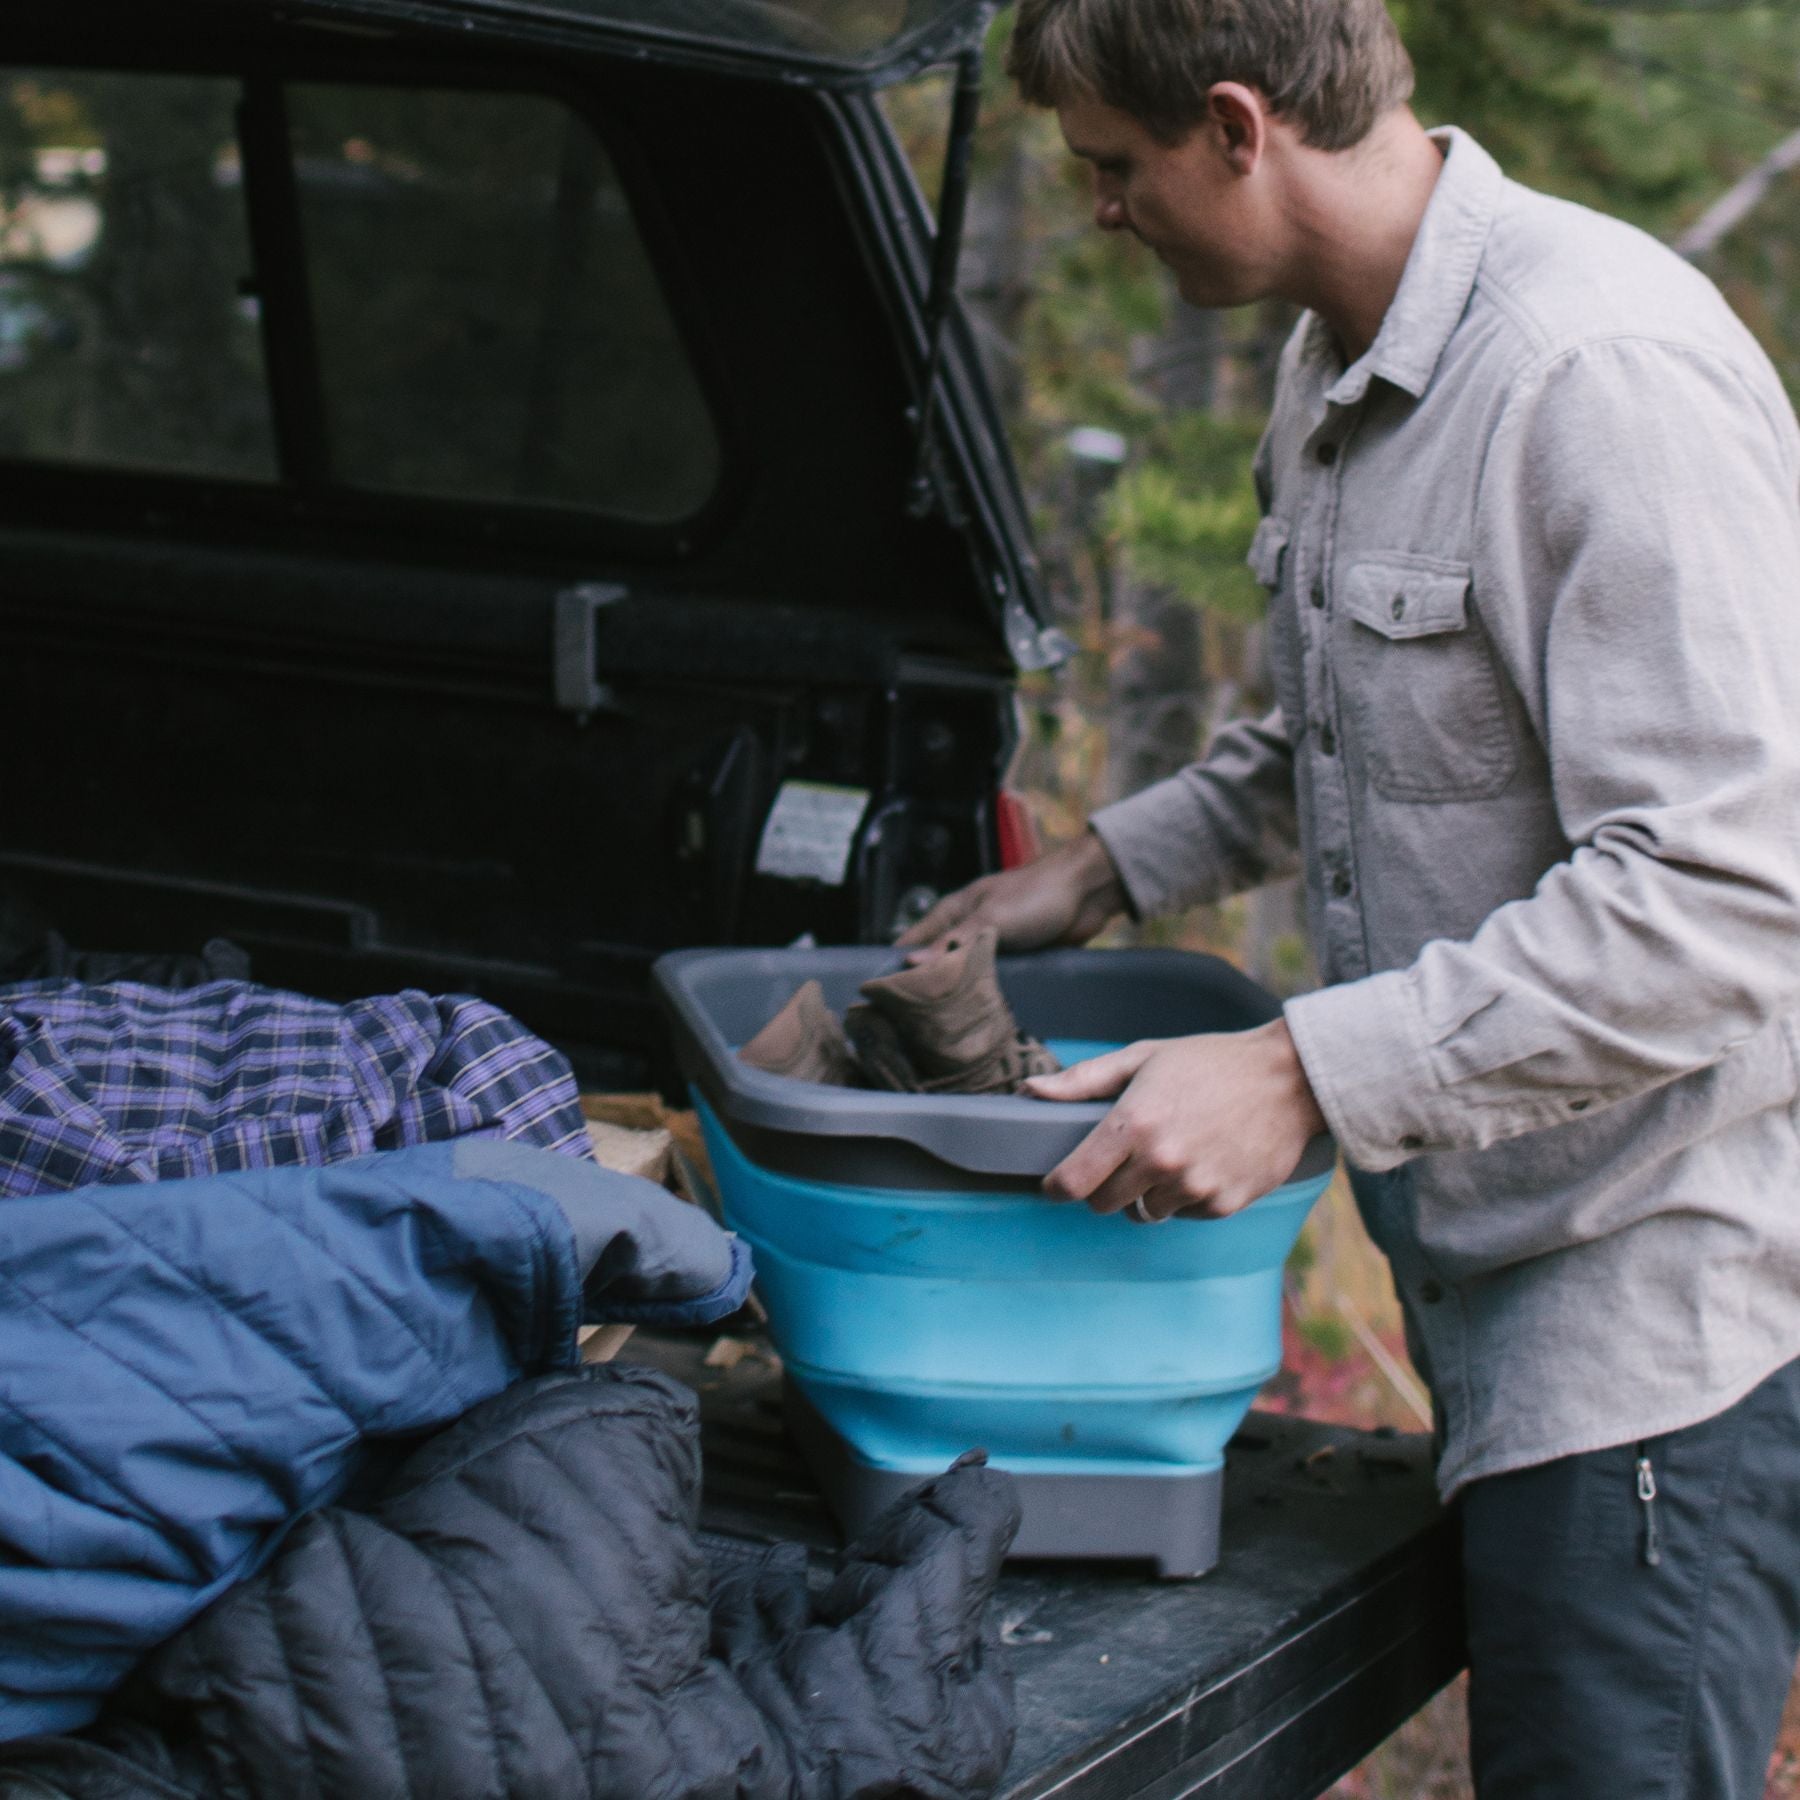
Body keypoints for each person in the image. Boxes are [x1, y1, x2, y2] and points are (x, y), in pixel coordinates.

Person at [899, 0, 1800, 1792]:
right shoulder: (1342, 350)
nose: (1097, 213)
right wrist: (1090, 873)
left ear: (1238, 127)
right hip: (1490, 1283)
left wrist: (1300, 1073)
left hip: (1654, 1335)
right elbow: (1348, 717)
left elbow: (1728, 898)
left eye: (1112, 169)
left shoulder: (1592, 375)